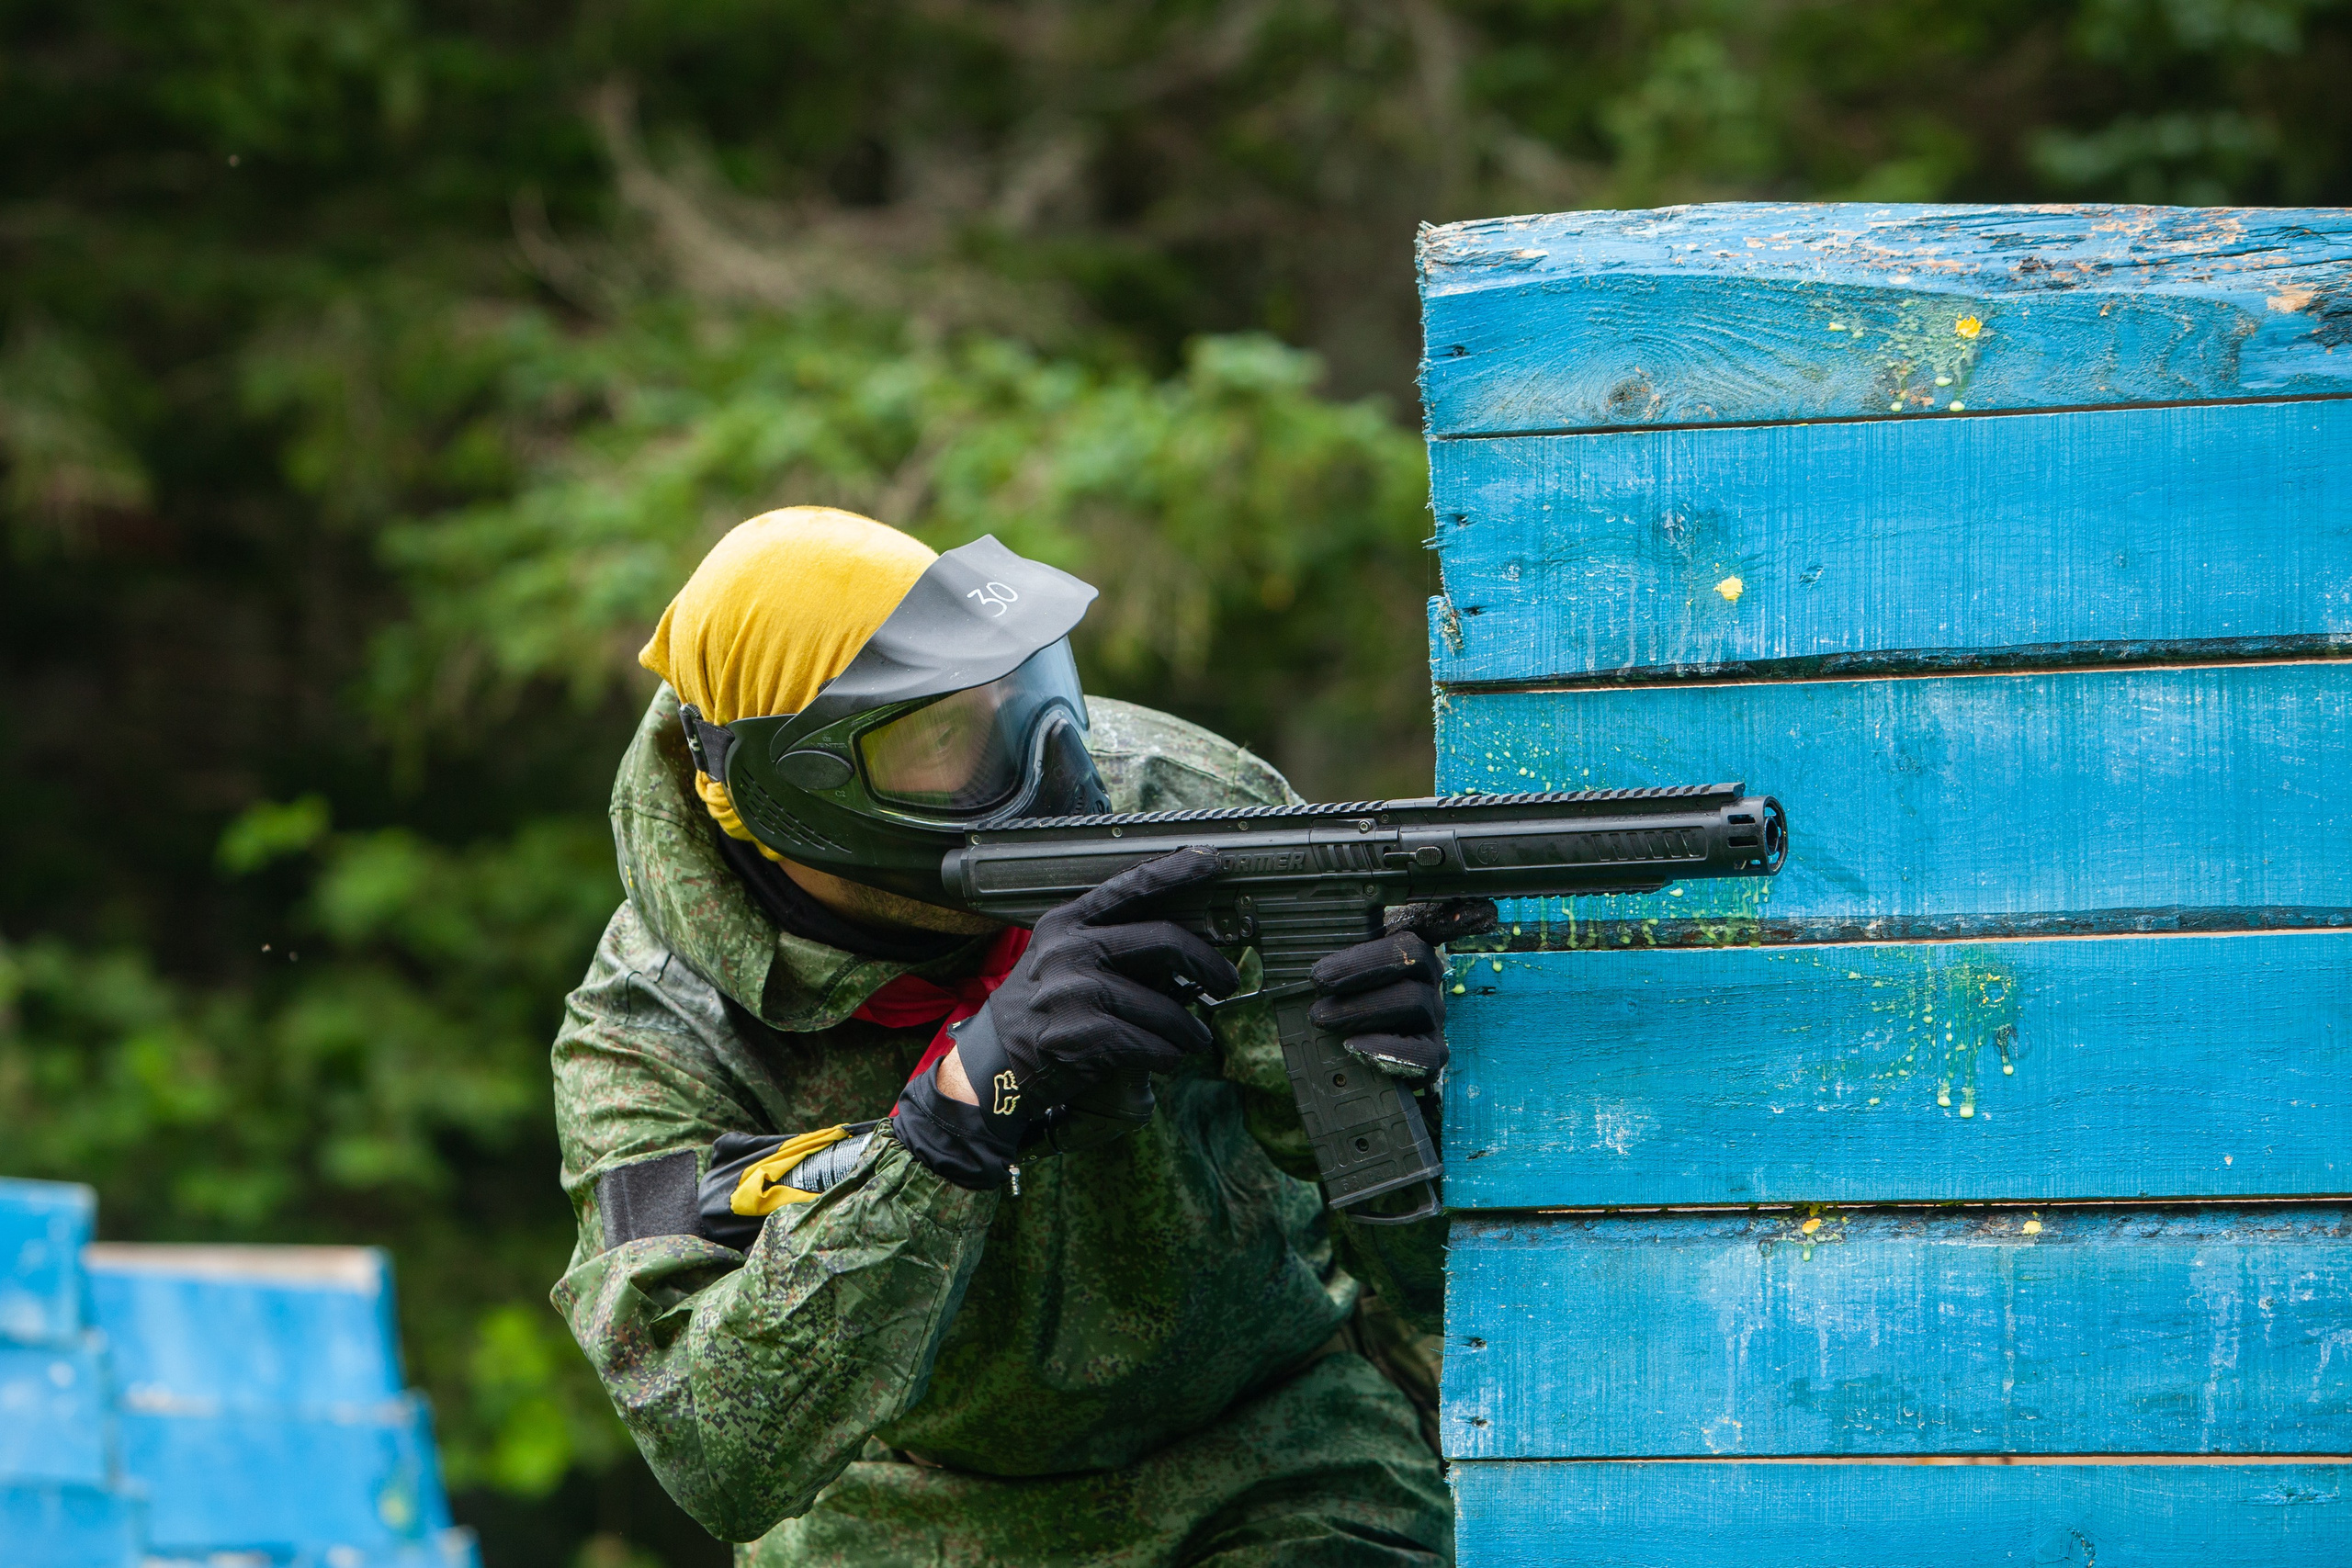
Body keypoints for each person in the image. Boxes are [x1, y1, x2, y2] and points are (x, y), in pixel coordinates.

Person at [551, 507, 1454, 1566]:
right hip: (893, 1507)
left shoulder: (1180, 818)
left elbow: (1433, 1276)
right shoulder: (649, 1038)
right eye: (945, 736)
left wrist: (1422, 1097)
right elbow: (718, 1450)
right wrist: (953, 1119)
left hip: (1270, 1445)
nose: (1048, 766)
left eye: (1026, 697)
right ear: (797, 792)